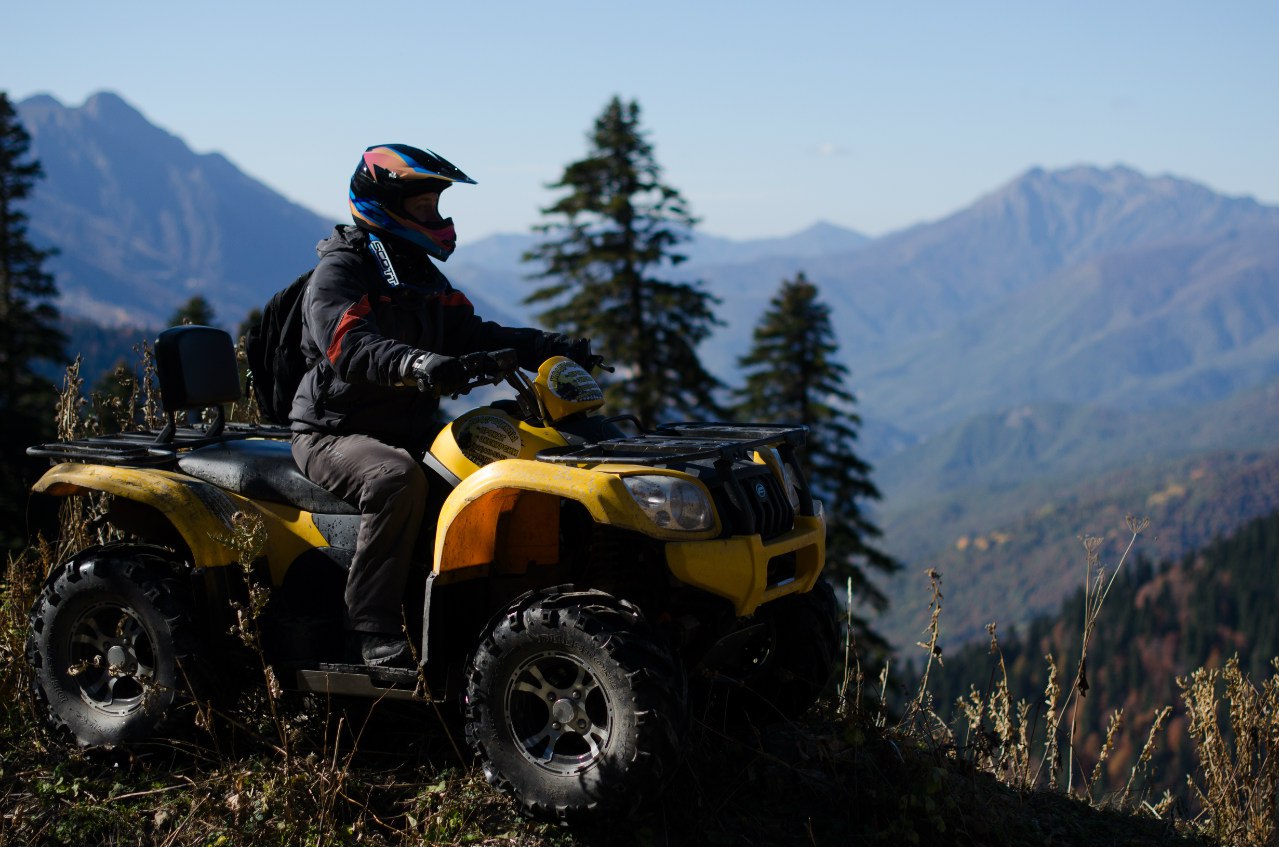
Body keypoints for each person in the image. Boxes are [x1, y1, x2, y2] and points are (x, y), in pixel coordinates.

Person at [290, 144, 590, 667]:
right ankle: (369, 628)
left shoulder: (419, 276)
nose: (438, 218)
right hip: (332, 432)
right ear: (388, 206)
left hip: (410, 423)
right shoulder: (341, 271)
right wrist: (417, 364)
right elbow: (349, 345)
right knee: (395, 479)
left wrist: (547, 344)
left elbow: (474, 333)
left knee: (499, 460)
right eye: (425, 208)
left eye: (436, 207)